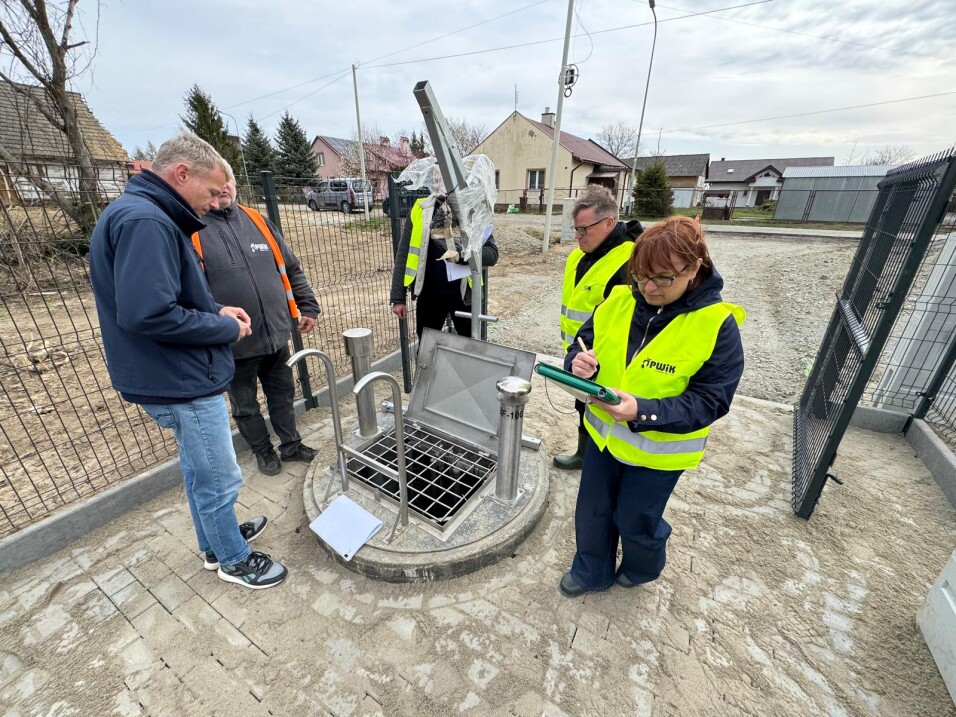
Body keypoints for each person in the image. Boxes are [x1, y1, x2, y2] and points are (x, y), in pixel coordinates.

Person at [89, 132, 287, 591]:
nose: (218, 202)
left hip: (165, 371)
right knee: (220, 476)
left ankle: (215, 542)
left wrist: (213, 309)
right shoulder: (148, 222)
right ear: (182, 174)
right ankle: (235, 562)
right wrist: (224, 329)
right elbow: (149, 313)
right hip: (179, 377)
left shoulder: (140, 214)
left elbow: (159, 295)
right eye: (214, 191)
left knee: (200, 470)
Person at [558, 215, 745, 597]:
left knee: (635, 518)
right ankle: (592, 569)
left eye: (662, 278)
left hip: (659, 453)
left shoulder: (716, 325)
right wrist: (578, 365)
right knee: (593, 510)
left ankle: (643, 567)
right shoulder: (619, 300)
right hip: (604, 436)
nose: (648, 288)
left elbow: (711, 400)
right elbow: (581, 346)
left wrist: (642, 411)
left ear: (693, 269)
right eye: (641, 276)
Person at [193, 172, 321, 476]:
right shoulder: (193, 229)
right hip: (234, 343)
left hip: (275, 334)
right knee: (245, 405)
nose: (223, 188)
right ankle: (263, 451)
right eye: (216, 182)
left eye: (228, 181)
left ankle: (291, 445)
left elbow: (290, 268)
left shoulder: (258, 221)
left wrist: (308, 306)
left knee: (283, 395)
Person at [555, 185, 643, 470]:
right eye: (576, 229)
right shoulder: (578, 256)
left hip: (607, 357)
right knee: (583, 405)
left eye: (584, 230)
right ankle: (585, 453)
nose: (578, 236)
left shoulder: (629, 260)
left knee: (604, 408)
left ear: (609, 223)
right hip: (578, 352)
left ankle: (599, 459)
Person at [390, 193, 499, 339]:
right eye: (435, 174)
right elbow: (403, 254)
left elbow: (492, 254)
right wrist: (398, 297)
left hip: (464, 296)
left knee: (469, 347)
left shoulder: (472, 208)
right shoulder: (420, 208)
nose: (438, 180)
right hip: (429, 294)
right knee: (427, 349)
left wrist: (463, 255)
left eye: (443, 174)